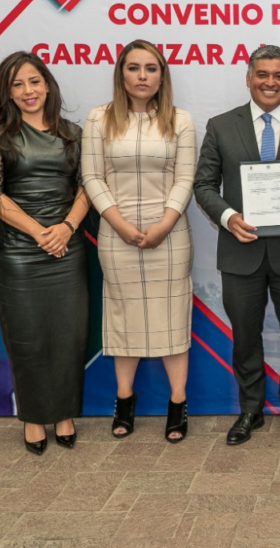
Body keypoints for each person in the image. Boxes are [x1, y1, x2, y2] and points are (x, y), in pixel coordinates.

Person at [194, 45, 280, 447]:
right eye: (263, 74)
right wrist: (228, 217)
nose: (270, 82)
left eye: (279, 76)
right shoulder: (221, 126)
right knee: (245, 337)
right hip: (240, 252)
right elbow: (204, 185)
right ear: (249, 77)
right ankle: (250, 410)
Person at [81, 40, 196, 444]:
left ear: (162, 75)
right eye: (133, 68)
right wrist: (119, 224)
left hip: (170, 235)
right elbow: (92, 177)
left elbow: (185, 178)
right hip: (117, 235)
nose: (142, 76)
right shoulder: (99, 118)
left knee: (172, 317)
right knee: (123, 316)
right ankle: (124, 400)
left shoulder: (181, 120)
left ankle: (178, 403)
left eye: (151, 68)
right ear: (121, 74)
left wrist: (164, 224)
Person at [0, 51, 90, 454]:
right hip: (19, 254)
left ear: (47, 85)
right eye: (18, 84)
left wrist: (66, 228)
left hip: (66, 249)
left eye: (34, 81)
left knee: (68, 337)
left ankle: (64, 415)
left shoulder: (73, 133)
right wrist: (40, 232)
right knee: (26, 339)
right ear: (7, 93)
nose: (28, 90)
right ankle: (33, 418)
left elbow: (87, 188)